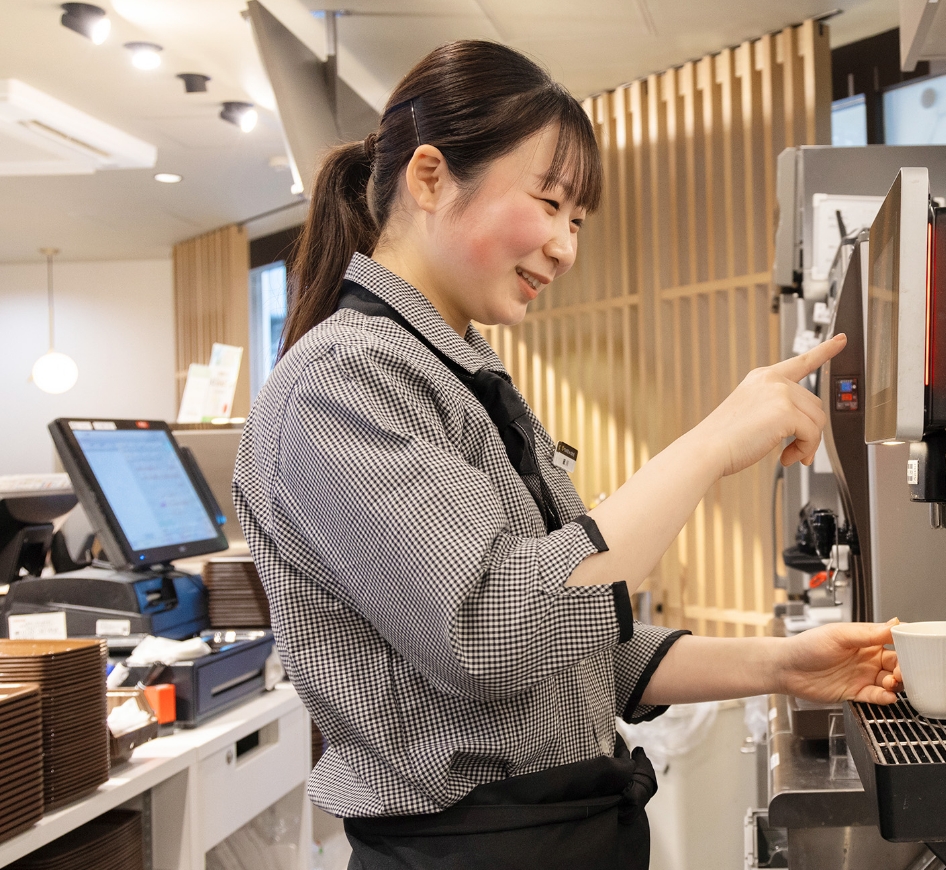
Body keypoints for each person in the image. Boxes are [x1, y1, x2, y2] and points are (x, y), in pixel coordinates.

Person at [234, 40, 902, 870]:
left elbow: (580, 648)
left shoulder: (460, 372)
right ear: (431, 176)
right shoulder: (342, 380)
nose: (565, 246)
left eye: (576, 220)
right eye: (549, 203)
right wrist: (710, 446)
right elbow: (490, 632)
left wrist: (785, 665)